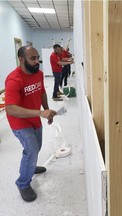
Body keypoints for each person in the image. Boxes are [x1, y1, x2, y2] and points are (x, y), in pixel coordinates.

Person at [5, 46, 57, 202]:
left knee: (36, 148)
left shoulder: (38, 74)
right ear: (21, 59)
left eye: (37, 58)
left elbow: (41, 92)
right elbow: (11, 109)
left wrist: (47, 110)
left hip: (34, 119)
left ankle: (31, 166)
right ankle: (23, 183)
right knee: (32, 149)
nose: (37, 62)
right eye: (32, 59)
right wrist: (40, 113)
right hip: (20, 122)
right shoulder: (14, 79)